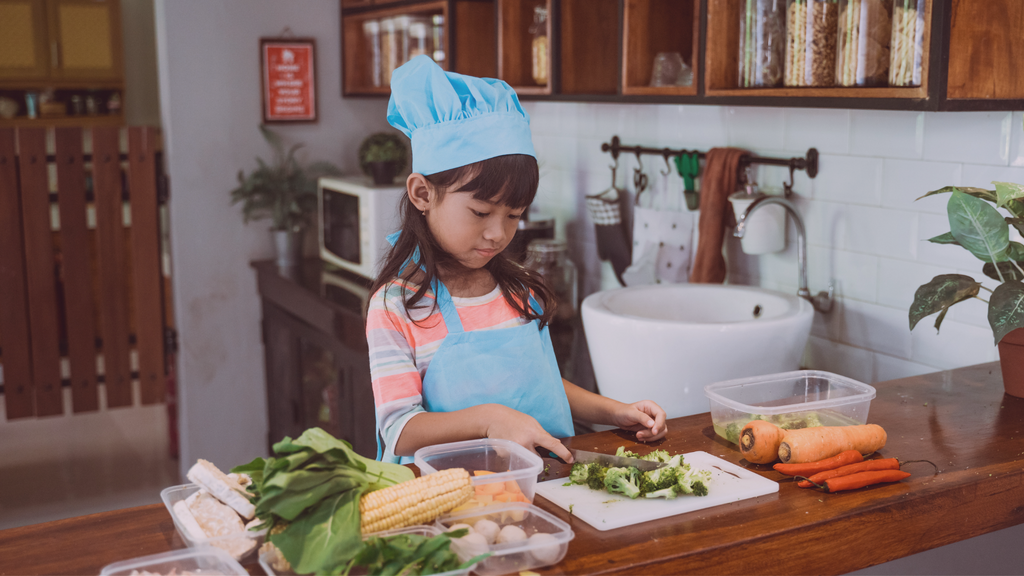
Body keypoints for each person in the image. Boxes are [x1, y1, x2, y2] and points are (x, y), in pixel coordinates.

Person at [366, 55, 667, 464]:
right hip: (453, 503)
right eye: (480, 212)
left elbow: (544, 386)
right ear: (422, 194)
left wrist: (615, 411)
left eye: (514, 215)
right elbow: (400, 430)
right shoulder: (397, 305)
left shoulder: (518, 290)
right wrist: (490, 420)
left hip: (544, 486)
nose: (498, 233)